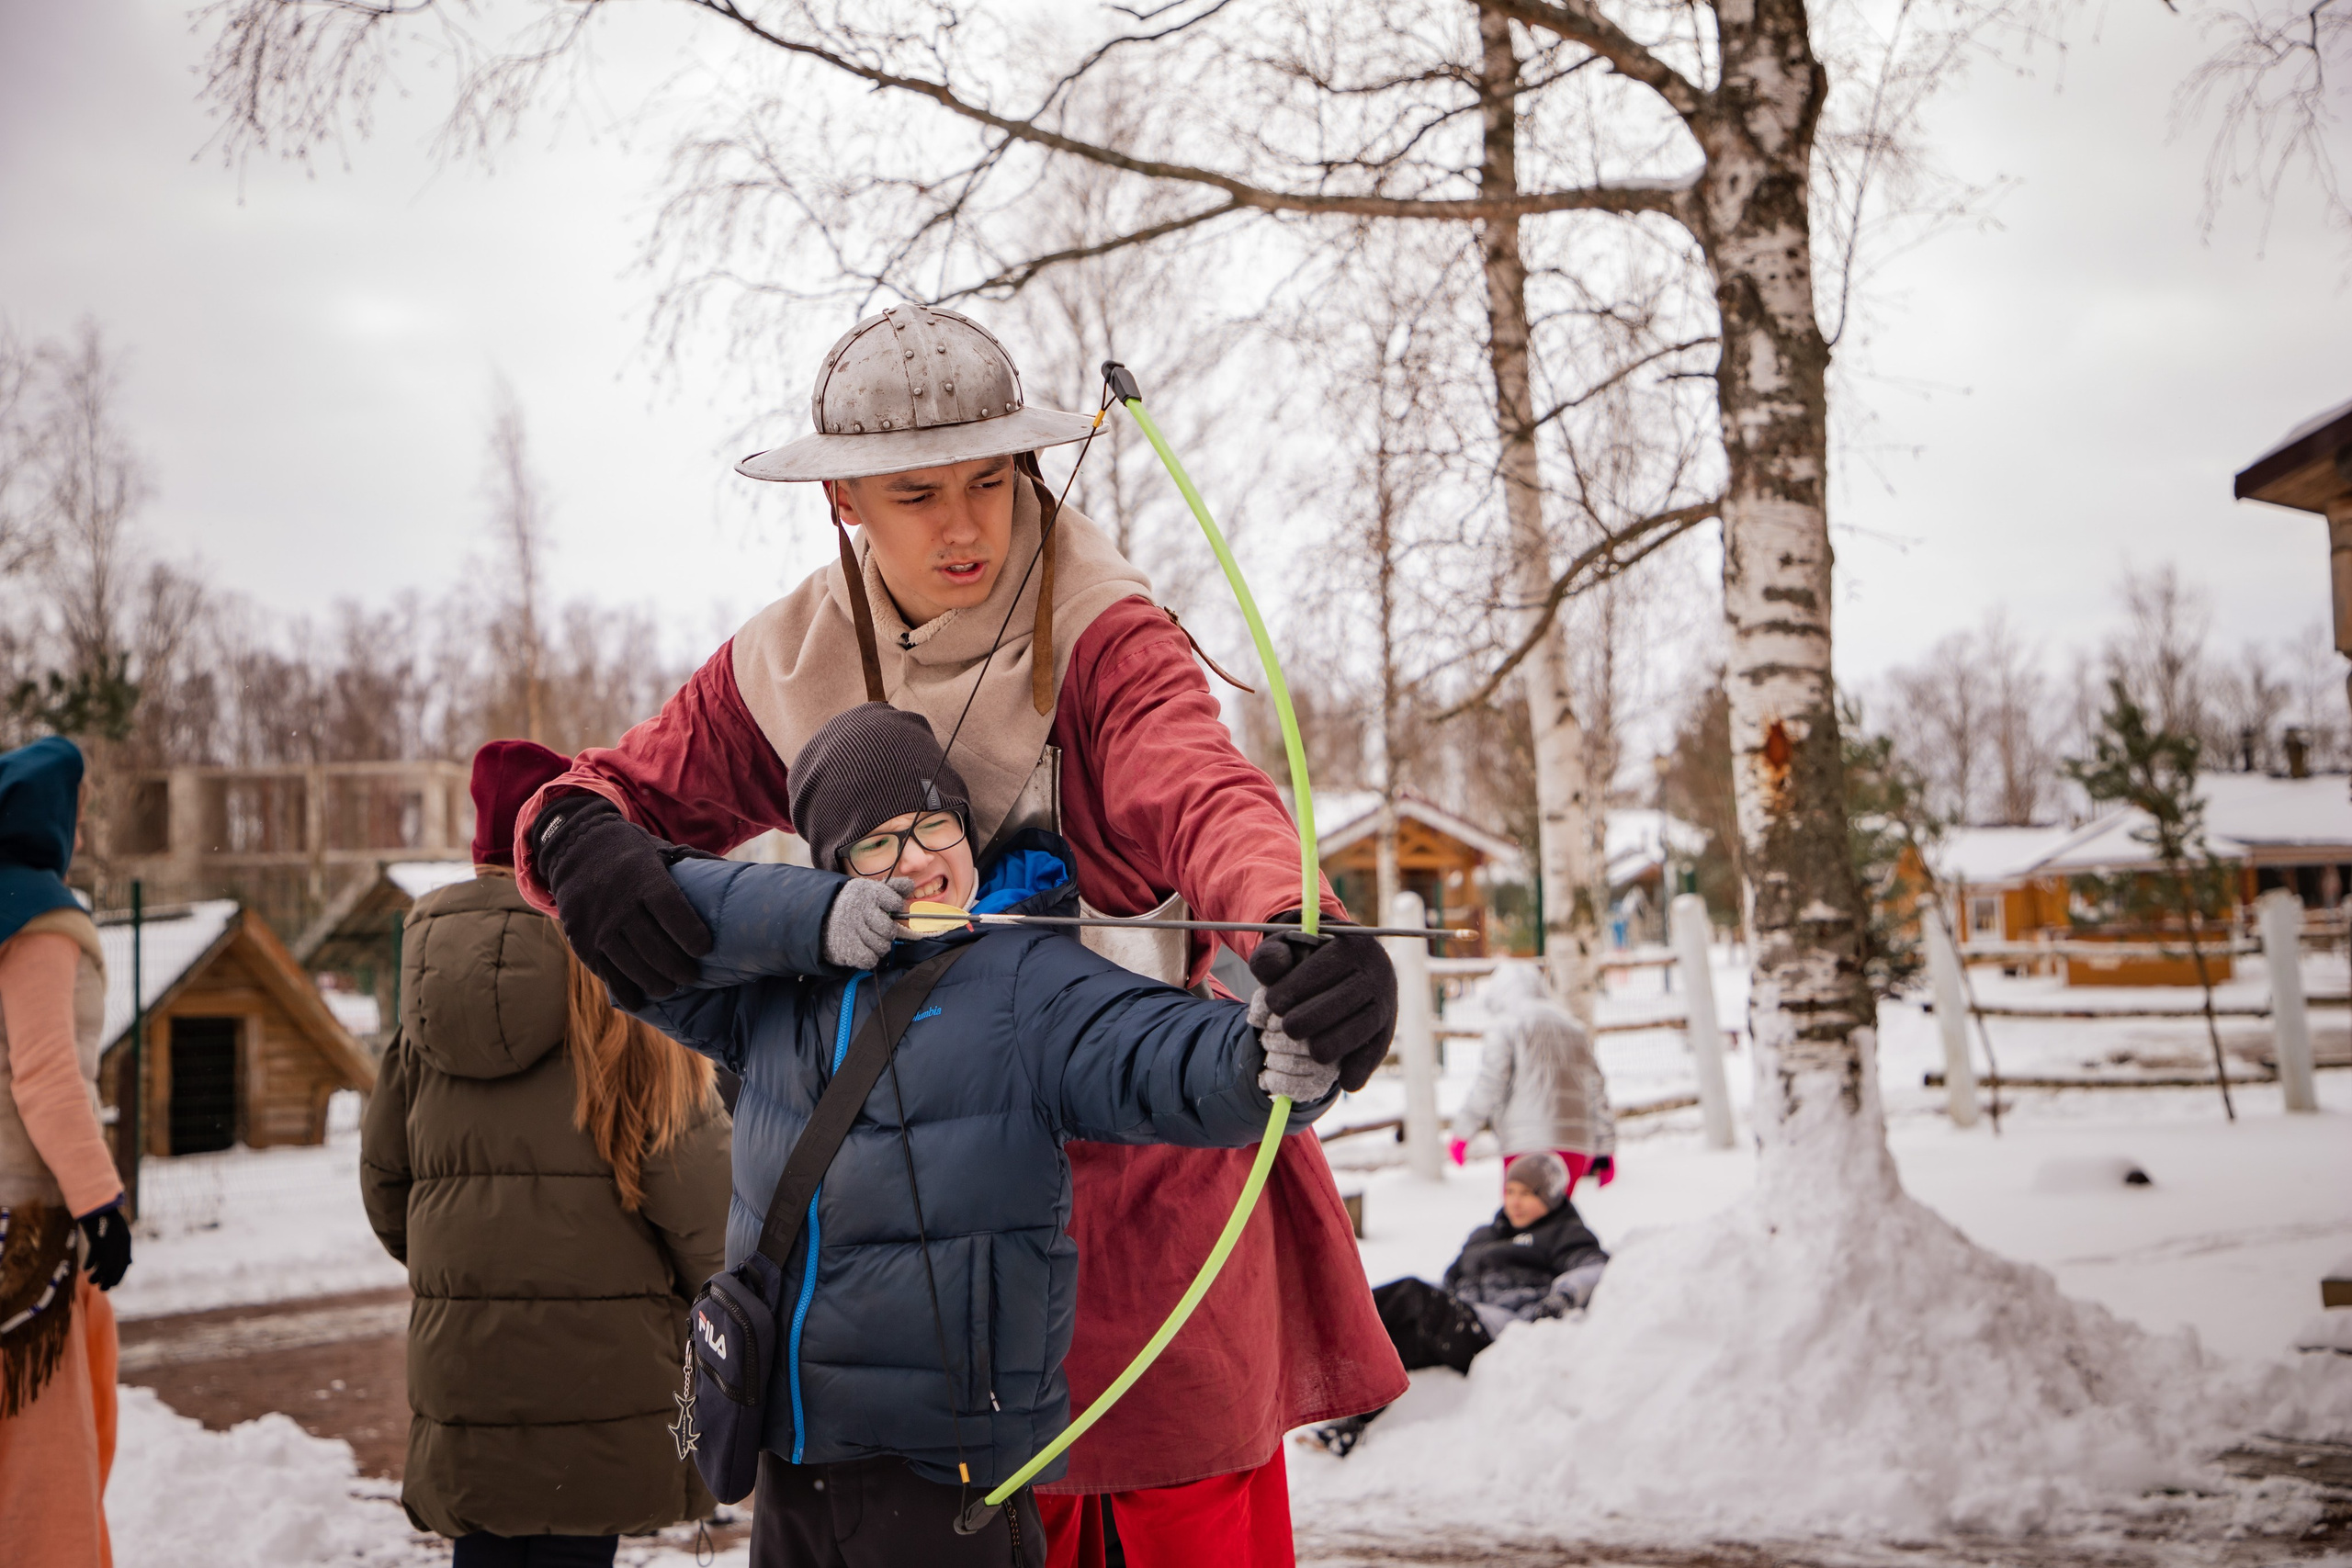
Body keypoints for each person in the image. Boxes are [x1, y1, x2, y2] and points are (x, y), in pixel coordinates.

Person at [511, 304, 1405, 1566]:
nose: (968, 525)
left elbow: (1197, 784)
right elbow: (603, 793)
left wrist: (1293, 924)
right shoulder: (790, 655)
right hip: (917, 1296)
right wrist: (578, 836)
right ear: (847, 507)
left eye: (994, 479)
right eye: (918, 492)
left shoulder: (1103, 628)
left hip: (1144, 1192)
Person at [632, 703, 1344, 1566]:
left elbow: (1162, 1055)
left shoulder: (1024, 980)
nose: (919, 860)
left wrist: (1269, 1059)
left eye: (935, 825)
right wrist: (804, 919)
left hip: (949, 1473)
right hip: (792, 1453)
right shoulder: (777, 990)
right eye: (878, 843)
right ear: (834, 869)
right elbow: (631, 930)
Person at [360, 740, 731, 1568]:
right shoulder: (621, 985)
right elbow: (703, 1210)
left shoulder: (421, 1005)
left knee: (485, 1550)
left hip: (467, 1368)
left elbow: (388, 1194)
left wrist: (470, 1273)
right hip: (600, 1375)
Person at [0, 736, 130, 1568]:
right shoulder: (41, 918)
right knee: (45, 1476)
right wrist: (99, 1200)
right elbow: (46, 1074)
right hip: (28, 1234)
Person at [1306, 1153, 1608, 1459]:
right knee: (1396, 1344)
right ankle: (1349, 1425)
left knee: (1411, 1293)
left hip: (1496, 1332)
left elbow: (1593, 1267)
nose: (1515, 1203)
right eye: (1510, 1192)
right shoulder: (1484, 1236)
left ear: (1553, 1196)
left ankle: (1324, 1325)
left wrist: (1563, 1296)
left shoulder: (1564, 1233)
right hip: (1462, 1318)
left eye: (1529, 1195)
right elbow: (1449, 1283)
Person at [1448, 960, 1617, 1197]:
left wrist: (1463, 1132)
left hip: (1524, 1144)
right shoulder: (1573, 1027)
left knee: (1524, 1220)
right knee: (1557, 1220)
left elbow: (1491, 1082)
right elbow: (1596, 1090)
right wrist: (1605, 1148)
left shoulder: (1506, 1025)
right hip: (1574, 1144)